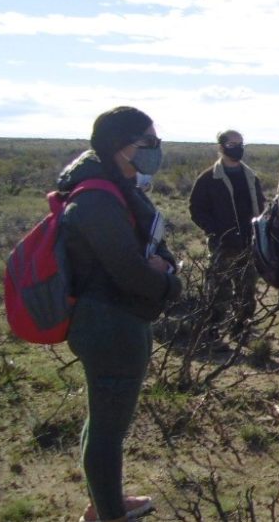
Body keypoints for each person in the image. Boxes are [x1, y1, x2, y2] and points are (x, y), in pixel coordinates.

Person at [61, 106, 182, 522]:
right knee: (108, 429)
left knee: (105, 422)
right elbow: (128, 269)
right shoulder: (96, 198)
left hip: (117, 319)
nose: (155, 150)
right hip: (110, 323)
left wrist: (161, 267)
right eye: (147, 143)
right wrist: (168, 283)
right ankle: (108, 514)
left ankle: (104, 501)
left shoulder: (116, 188)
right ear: (119, 147)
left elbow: (143, 252)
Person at [188, 129, 266, 347]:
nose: (238, 148)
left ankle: (241, 331)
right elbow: (196, 209)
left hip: (248, 244)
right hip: (223, 246)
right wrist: (215, 231)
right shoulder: (209, 178)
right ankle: (213, 335)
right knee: (219, 293)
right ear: (221, 147)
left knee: (247, 291)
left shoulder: (250, 176)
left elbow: (260, 204)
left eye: (241, 144)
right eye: (232, 144)